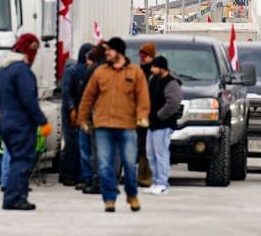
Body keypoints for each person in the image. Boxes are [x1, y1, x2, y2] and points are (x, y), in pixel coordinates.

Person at [77, 36, 150, 213]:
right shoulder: (100, 72)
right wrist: (82, 119)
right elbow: (88, 97)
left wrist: (142, 116)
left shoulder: (135, 73)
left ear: (118, 52)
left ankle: (131, 195)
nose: (106, 53)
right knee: (104, 165)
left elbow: (142, 98)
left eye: (109, 50)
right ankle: (109, 199)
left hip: (126, 126)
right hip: (103, 125)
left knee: (129, 164)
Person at [0, 33, 53, 211]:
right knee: (22, 160)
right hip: (21, 123)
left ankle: (15, 196)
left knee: (15, 159)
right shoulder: (22, 71)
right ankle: (15, 198)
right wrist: (42, 121)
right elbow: (29, 100)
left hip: (6, 121)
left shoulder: (5, 69)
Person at [144, 55, 183, 195]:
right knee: (150, 153)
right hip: (152, 124)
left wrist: (160, 115)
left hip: (164, 124)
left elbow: (173, 102)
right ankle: (155, 181)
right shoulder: (154, 79)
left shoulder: (171, 82)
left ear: (162, 68)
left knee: (161, 154)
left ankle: (163, 183)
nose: (152, 69)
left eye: (154, 67)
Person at [60, 43, 93, 187]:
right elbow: (66, 92)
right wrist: (72, 109)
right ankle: (67, 174)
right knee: (72, 143)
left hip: (83, 112)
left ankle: (79, 174)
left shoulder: (90, 70)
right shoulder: (71, 71)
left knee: (82, 145)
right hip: (71, 113)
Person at [76, 43, 107, 195]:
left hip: (96, 116)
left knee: (95, 150)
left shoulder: (94, 71)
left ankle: (97, 182)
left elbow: (84, 94)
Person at [136, 42, 157, 188]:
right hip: (137, 114)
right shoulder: (137, 71)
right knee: (140, 146)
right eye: (141, 55)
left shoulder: (155, 73)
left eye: (146, 55)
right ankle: (140, 175)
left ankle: (147, 176)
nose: (142, 58)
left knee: (149, 146)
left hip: (151, 114)